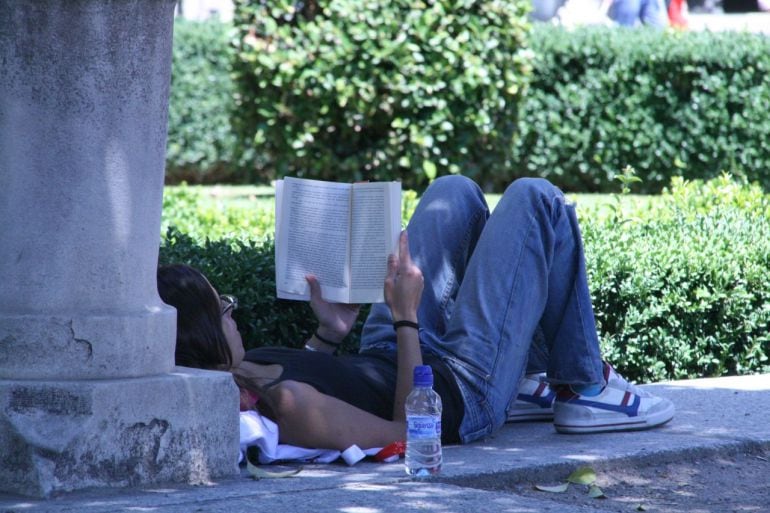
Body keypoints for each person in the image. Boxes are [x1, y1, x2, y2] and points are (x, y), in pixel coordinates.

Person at [158, 176, 675, 451]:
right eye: (222, 309)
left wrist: (330, 332)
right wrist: (404, 317)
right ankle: (586, 388)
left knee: (455, 192)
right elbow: (410, 432)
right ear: (203, 335)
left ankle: (534, 378)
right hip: (457, 393)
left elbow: (325, 374)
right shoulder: (290, 406)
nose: (233, 313)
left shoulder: (249, 370)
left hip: (393, 356)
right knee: (535, 199)